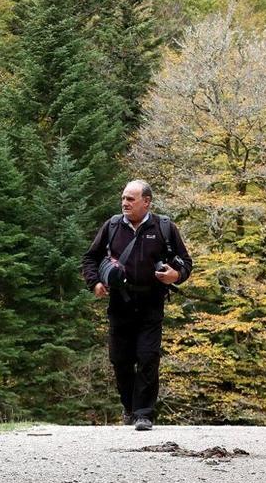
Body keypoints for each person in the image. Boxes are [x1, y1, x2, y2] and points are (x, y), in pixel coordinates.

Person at [81, 179, 192, 431]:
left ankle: (144, 413)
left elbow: (186, 262)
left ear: (146, 202)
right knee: (120, 359)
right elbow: (90, 258)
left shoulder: (164, 227)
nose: (125, 203)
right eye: (123, 198)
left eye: (131, 199)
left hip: (152, 302)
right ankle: (130, 408)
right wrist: (95, 283)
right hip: (120, 302)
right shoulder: (111, 226)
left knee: (147, 356)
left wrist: (176, 275)